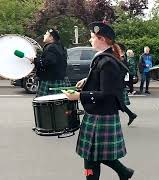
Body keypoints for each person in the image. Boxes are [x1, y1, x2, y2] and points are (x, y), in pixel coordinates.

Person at [63, 21, 134, 180]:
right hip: (98, 113)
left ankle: (123, 172)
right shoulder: (103, 58)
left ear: (102, 39)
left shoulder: (107, 61)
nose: (90, 40)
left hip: (101, 114)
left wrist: (79, 96)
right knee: (92, 156)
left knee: (90, 157)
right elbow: (101, 80)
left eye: (92, 37)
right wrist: (86, 80)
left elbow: (107, 93)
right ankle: (124, 172)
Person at [31, 28, 69, 97]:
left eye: (46, 34)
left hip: (51, 80)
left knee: (44, 104)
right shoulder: (60, 46)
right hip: (58, 78)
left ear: (51, 37)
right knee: (58, 103)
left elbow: (49, 61)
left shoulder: (52, 47)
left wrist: (35, 60)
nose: (44, 36)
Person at [118, 43, 137, 126]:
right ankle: (131, 115)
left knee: (118, 102)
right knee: (119, 102)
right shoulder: (121, 58)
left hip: (119, 84)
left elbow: (123, 71)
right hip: (119, 83)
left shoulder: (122, 59)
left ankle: (131, 115)